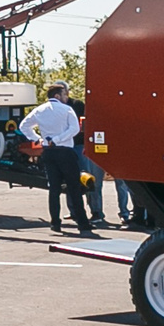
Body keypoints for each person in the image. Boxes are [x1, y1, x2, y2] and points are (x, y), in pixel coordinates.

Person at [19, 82, 92, 235]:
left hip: (48, 151)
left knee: (54, 188)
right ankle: (83, 223)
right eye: (64, 94)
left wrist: (38, 139)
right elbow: (75, 129)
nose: (67, 97)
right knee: (74, 187)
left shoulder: (39, 110)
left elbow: (24, 126)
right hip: (65, 150)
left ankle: (55, 223)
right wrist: (59, 139)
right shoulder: (66, 110)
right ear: (57, 96)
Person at [70, 95, 111, 228]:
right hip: (85, 147)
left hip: (90, 148)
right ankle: (89, 211)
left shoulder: (79, 105)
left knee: (93, 183)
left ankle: (97, 212)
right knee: (86, 181)